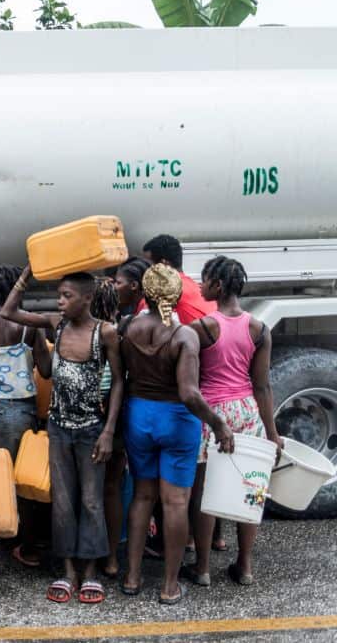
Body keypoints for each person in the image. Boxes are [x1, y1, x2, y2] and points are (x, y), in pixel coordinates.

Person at [1, 266, 124, 605]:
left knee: (91, 501)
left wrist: (109, 431)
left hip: (91, 430)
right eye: (59, 295)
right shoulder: (58, 325)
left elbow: (118, 383)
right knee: (64, 502)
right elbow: (8, 311)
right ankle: (68, 570)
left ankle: (90, 572)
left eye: (67, 296)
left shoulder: (106, 333)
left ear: (87, 298)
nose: (60, 302)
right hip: (58, 428)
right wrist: (27, 275)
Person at [117, 264, 235, 604]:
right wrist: (218, 423)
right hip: (177, 420)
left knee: (142, 497)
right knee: (175, 502)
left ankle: (132, 576)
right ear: (177, 295)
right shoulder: (184, 336)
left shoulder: (129, 327)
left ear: (146, 294)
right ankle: (169, 585)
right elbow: (189, 393)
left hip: (140, 415)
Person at [185, 256, 282, 587]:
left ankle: (202, 568)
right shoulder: (259, 329)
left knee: (205, 492)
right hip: (247, 410)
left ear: (219, 286)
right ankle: (244, 566)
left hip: (213, 415)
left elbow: (192, 379)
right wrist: (272, 434)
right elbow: (262, 385)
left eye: (205, 280)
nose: (200, 286)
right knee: (250, 488)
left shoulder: (201, 328)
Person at [0, 265, 51, 568]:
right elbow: (46, 369)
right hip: (24, 408)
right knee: (24, 479)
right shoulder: (29, 326)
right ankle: (25, 546)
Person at [90, 277, 127, 579]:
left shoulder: (85, 331)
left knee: (88, 491)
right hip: (118, 414)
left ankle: (89, 555)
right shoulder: (123, 331)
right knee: (112, 488)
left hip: (90, 413)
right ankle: (112, 558)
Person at [140, 235, 216, 324]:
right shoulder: (197, 287)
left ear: (163, 264)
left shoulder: (161, 292)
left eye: (148, 265)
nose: (145, 270)